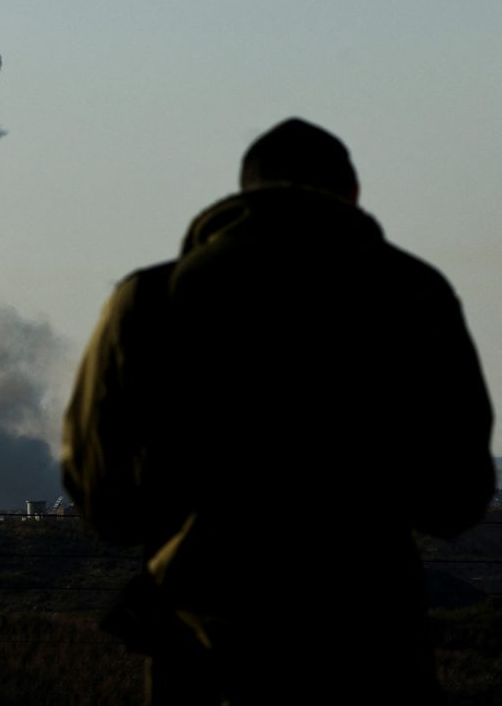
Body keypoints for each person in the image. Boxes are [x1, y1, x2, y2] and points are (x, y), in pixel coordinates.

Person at [62, 118, 495, 705]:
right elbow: (457, 497)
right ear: (352, 195)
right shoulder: (417, 295)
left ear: (243, 196)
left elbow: (106, 502)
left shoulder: (148, 301)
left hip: (203, 655)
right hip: (371, 648)